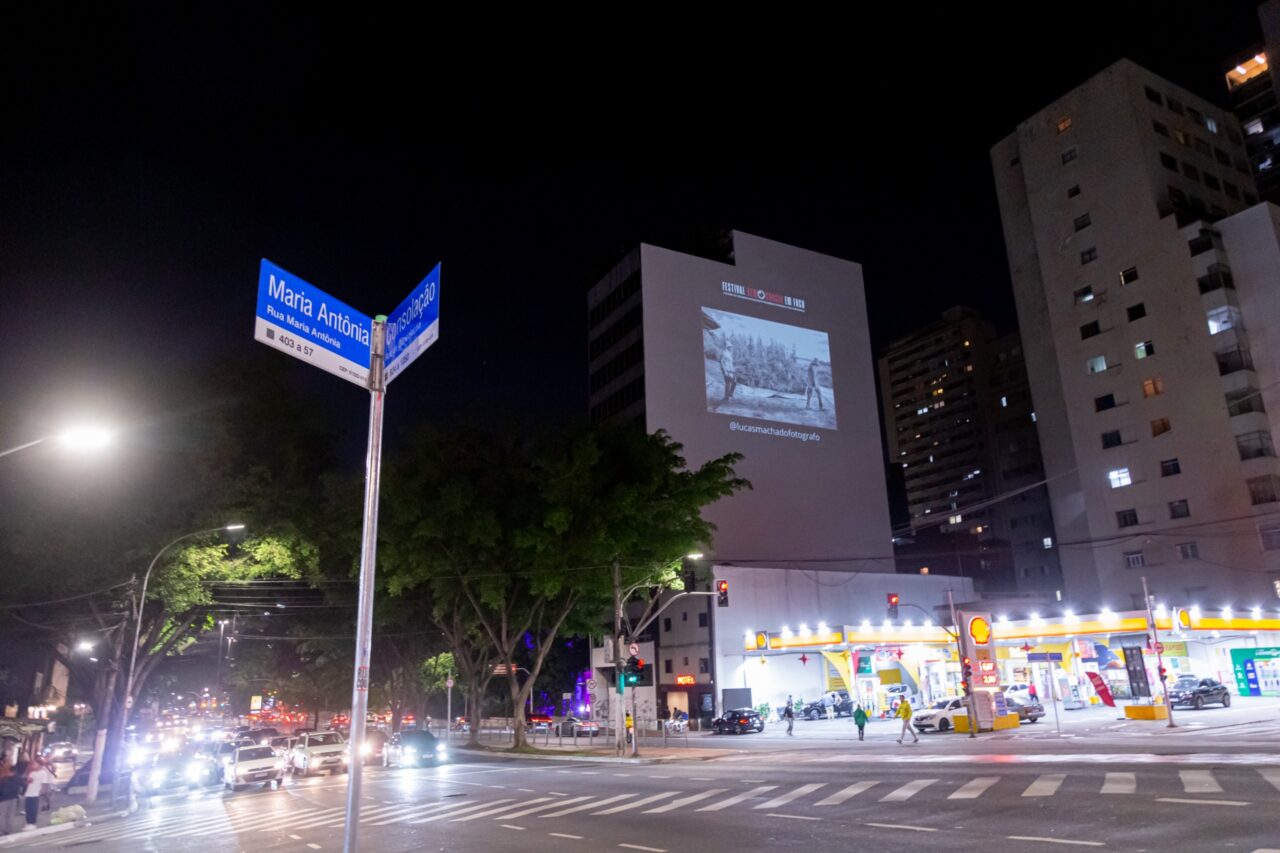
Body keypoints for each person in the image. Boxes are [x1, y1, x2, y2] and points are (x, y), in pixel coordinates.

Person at [23, 758, 55, 830]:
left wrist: (41, 792)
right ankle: (28, 823)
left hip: (35, 793)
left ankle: (32, 823)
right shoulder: (32, 773)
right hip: (29, 792)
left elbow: (44, 784)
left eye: (35, 764)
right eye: (33, 764)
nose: (33, 766)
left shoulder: (42, 773)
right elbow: (28, 782)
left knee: (33, 809)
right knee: (28, 809)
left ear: (40, 765)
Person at [0, 764, 22, 835]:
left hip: (4, 799)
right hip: (13, 798)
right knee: (10, 814)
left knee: (3, 815)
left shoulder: (3, 779)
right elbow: (24, 785)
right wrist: (19, 794)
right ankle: (9, 829)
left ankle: (1, 830)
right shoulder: (18, 778)